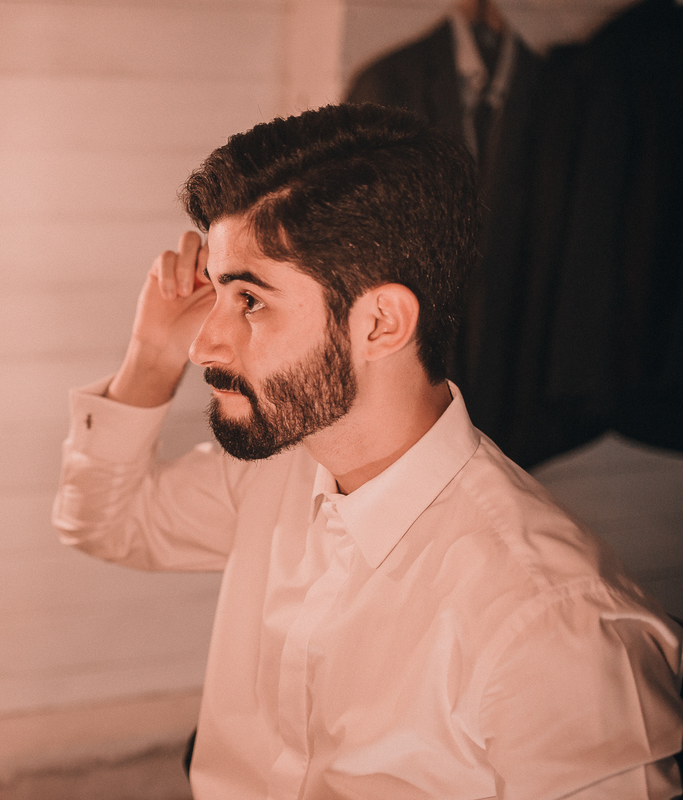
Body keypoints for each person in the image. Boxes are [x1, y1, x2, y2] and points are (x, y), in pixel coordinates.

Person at [51, 104, 683, 799]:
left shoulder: (556, 629)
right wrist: (150, 355)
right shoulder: (278, 468)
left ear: (381, 322)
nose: (205, 343)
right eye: (219, 296)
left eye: (251, 301)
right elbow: (105, 522)